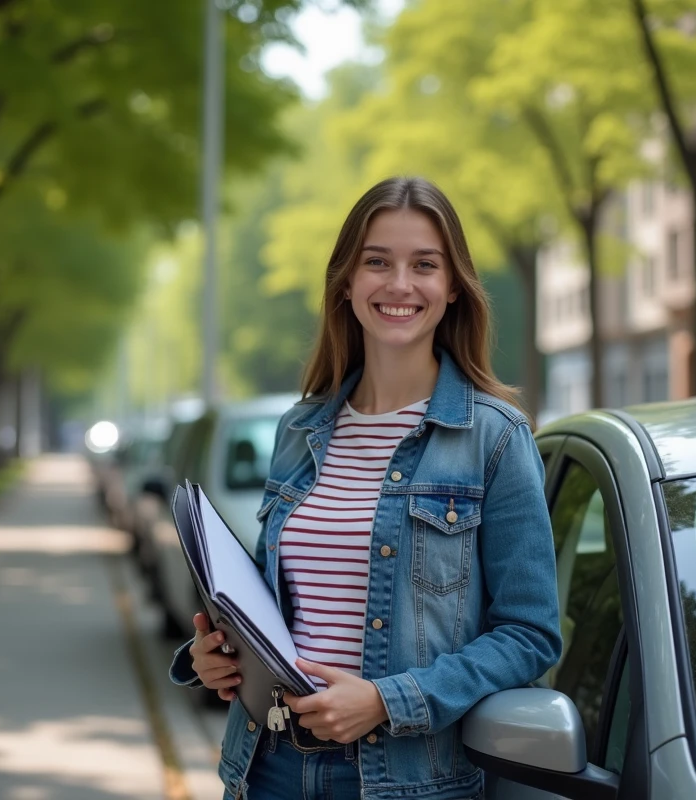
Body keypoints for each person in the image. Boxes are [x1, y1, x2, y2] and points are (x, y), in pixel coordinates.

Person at [169, 176, 561, 800]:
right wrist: (218, 656)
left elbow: (529, 633)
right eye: (377, 262)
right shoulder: (300, 429)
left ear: (452, 286)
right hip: (264, 767)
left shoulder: (495, 438)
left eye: (424, 265)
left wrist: (387, 700)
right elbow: (278, 611)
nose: (399, 284)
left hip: (402, 782)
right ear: (347, 283)